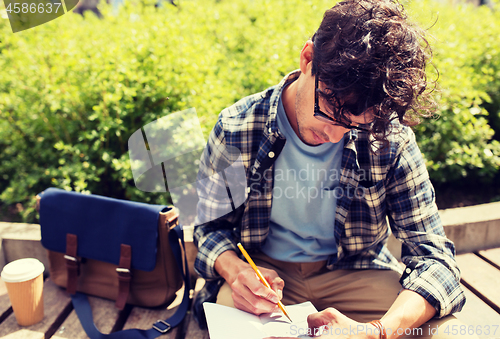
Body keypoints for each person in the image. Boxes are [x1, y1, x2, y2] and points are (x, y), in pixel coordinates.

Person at [193, 0, 470, 338]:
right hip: (265, 282)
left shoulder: (391, 139)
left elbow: (435, 259)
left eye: (356, 125)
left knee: (452, 332)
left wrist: (377, 331)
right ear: (308, 59)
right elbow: (210, 230)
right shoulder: (238, 127)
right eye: (328, 111)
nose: (334, 134)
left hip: (356, 273)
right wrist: (236, 272)